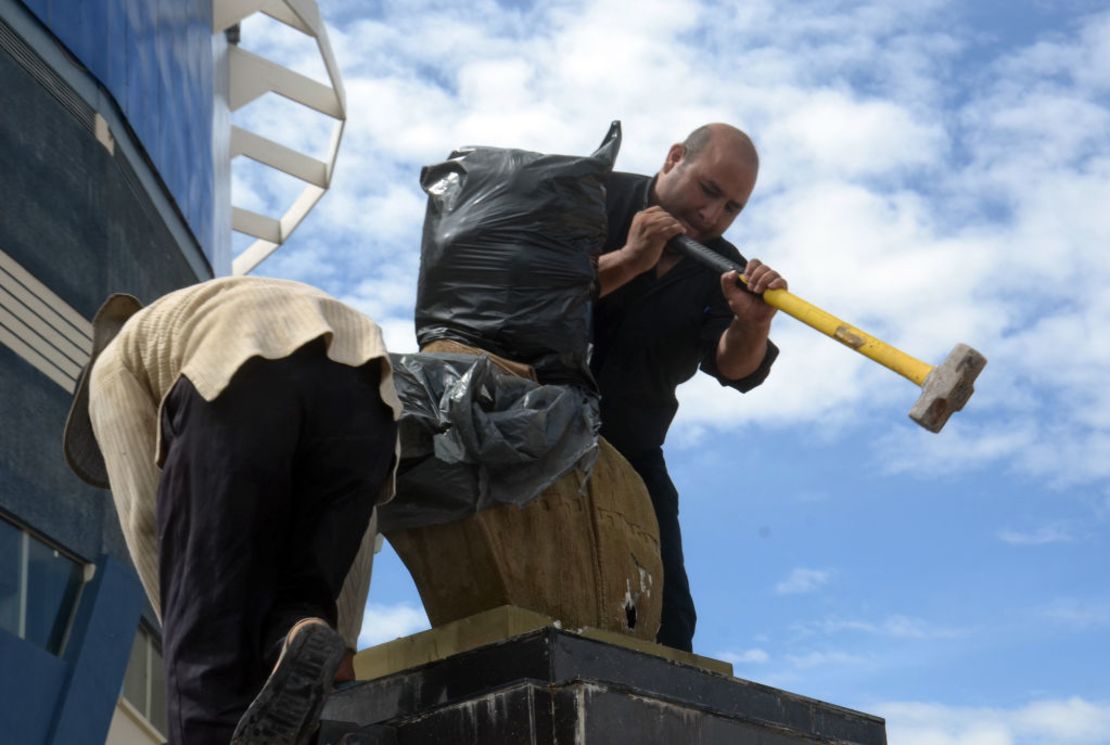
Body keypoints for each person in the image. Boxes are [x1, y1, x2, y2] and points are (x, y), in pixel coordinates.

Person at [63, 276, 401, 745]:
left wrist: (189, 628)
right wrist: (342, 639)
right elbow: (359, 529)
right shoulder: (203, 309)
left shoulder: (110, 367)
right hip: (369, 393)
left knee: (208, 676)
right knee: (296, 608)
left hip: (243, 372)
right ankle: (294, 638)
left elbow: (145, 512)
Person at [590, 123, 787, 652]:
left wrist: (752, 323)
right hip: (527, 422)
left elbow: (736, 370)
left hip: (632, 449)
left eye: (731, 208)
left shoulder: (724, 267)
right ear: (674, 157)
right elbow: (535, 293)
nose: (711, 215)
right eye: (708, 191)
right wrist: (632, 259)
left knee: (670, 622)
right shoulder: (589, 197)